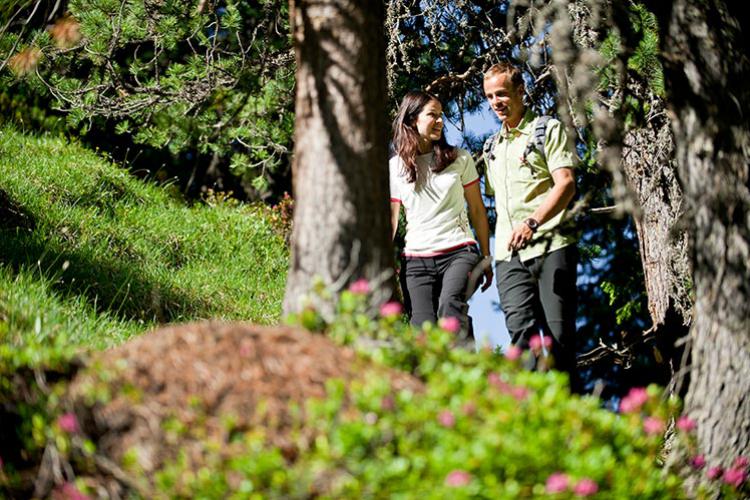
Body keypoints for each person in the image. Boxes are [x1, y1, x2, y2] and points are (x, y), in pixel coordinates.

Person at [482, 61, 579, 387]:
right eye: (490, 96)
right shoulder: (492, 148)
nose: (496, 102)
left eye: (502, 94)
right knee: (521, 339)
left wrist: (533, 222)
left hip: (551, 245)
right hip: (509, 257)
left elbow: (565, 184)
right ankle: (529, 416)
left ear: (521, 91)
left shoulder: (546, 130)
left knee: (559, 339)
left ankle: (570, 422)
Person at [389, 90, 493, 334]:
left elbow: (477, 210)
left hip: (460, 252)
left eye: (441, 116)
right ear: (413, 119)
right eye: (432, 115)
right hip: (415, 261)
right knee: (421, 328)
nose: (440, 121)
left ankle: (467, 370)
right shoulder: (395, 167)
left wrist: (486, 256)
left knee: (450, 309)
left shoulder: (460, 159)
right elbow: (391, 220)